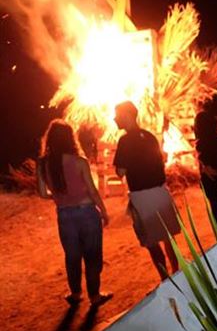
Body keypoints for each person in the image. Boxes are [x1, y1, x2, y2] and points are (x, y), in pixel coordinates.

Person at [37, 119, 111, 306]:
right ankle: (94, 296)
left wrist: (59, 198)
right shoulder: (79, 161)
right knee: (93, 255)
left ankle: (76, 293)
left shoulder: (43, 163)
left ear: (50, 139)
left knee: (72, 256)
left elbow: (42, 193)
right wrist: (103, 211)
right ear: (71, 139)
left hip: (64, 215)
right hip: (87, 213)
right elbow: (93, 191)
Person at [113, 101, 181, 280]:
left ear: (127, 116)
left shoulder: (125, 141)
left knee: (151, 241)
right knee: (168, 237)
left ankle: (165, 279)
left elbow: (120, 172)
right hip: (160, 192)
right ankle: (177, 271)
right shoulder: (149, 136)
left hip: (142, 196)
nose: (114, 119)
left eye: (117, 115)